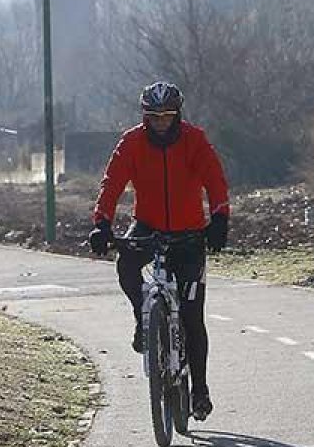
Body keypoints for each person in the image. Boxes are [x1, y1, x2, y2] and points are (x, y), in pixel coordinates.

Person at [88, 81, 230, 422]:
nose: (161, 123)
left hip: (189, 232)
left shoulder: (195, 140)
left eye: (167, 116)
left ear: (178, 114)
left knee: (193, 316)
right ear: (145, 116)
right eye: (154, 117)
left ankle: (200, 391)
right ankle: (144, 317)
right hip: (148, 225)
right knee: (125, 266)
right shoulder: (131, 142)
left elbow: (215, 179)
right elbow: (112, 184)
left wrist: (220, 218)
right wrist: (101, 223)